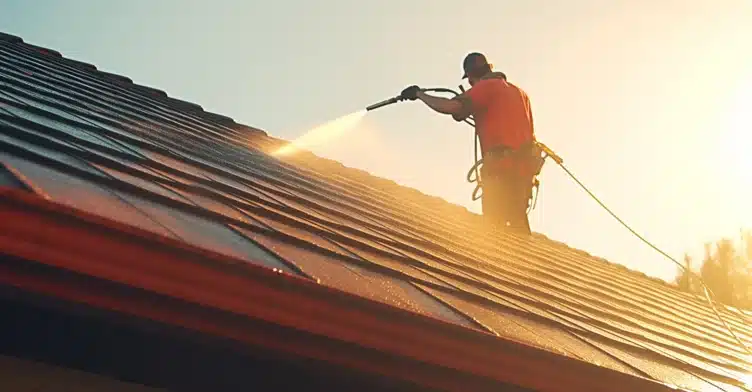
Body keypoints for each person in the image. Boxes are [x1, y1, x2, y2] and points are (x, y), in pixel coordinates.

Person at [400, 52, 537, 235]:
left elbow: (451, 107)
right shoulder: (519, 93)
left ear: (472, 75)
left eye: (470, 81)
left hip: (501, 175)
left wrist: (419, 94)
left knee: (494, 234)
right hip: (523, 178)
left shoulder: (487, 87)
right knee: (518, 233)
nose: (470, 85)